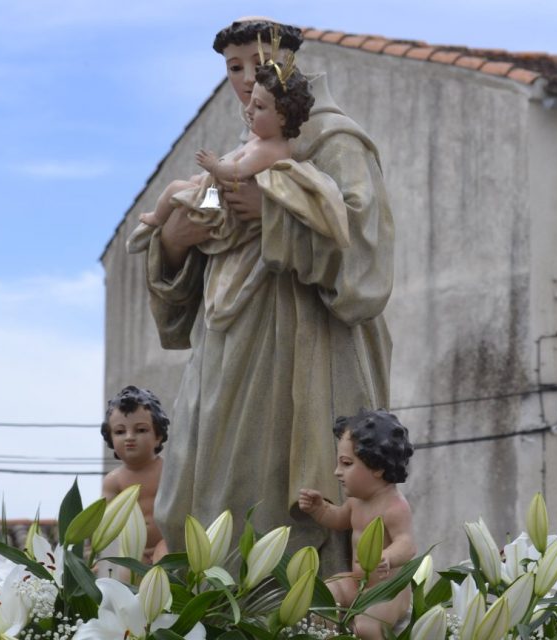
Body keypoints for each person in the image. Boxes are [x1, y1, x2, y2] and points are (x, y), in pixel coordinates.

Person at [135, 18, 394, 570]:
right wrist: (176, 244)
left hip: (299, 349)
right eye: (234, 68)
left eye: (258, 64)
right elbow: (198, 251)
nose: (247, 79)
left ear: (291, 63)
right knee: (207, 491)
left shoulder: (334, 140)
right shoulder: (244, 150)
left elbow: (365, 257)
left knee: (277, 498)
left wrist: (274, 217)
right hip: (224, 349)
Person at [138, 59, 332, 258]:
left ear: (282, 117)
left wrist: (213, 166)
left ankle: (156, 218)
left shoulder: (270, 150)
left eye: (258, 106)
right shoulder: (263, 139)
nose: (248, 110)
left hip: (220, 202)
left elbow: (238, 173)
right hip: (218, 190)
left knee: (176, 188)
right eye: (235, 68)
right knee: (192, 184)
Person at [298, 410, 415, 640]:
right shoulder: (356, 501)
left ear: (377, 467)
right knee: (322, 598)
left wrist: (388, 557)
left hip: (388, 591)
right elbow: (340, 520)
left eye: (346, 464)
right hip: (357, 581)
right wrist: (319, 509)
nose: (337, 472)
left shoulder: (395, 507)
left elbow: (407, 544)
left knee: (367, 627)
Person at [99, 385, 170, 563]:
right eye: (120, 431)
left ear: (158, 436)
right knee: (126, 580)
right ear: (110, 437)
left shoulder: (168, 471)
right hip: (132, 552)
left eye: (141, 430)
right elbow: (102, 523)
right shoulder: (114, 481)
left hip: (167, 545)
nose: (129, 437)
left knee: (166, 572)